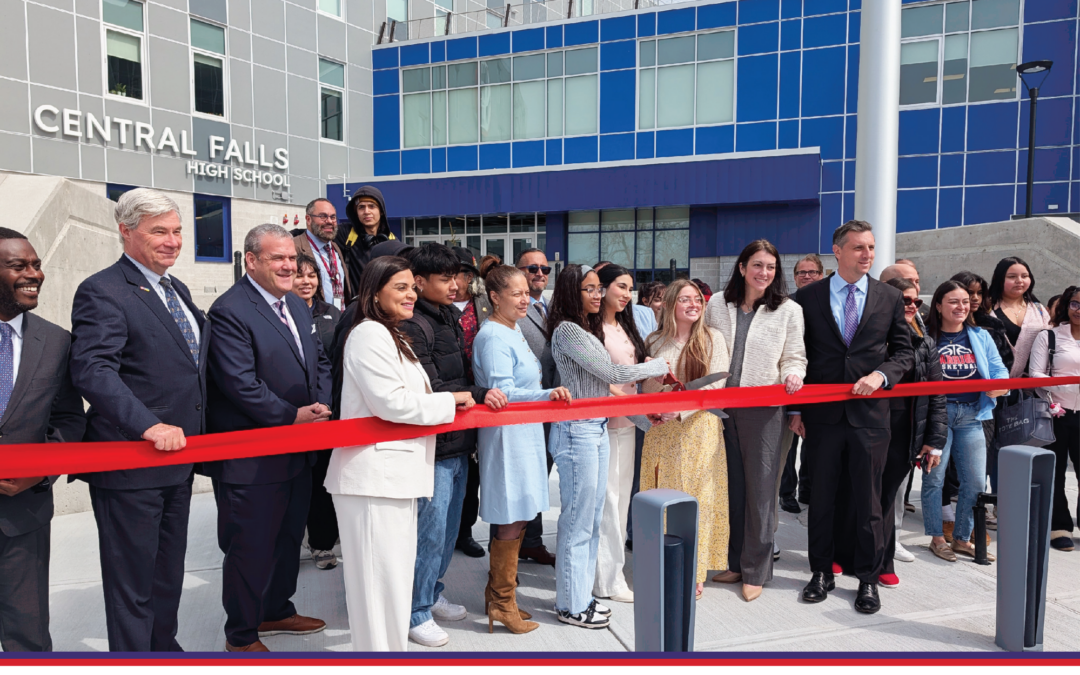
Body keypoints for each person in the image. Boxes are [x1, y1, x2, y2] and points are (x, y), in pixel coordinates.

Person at [69, 188, 208, 652]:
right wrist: (148, 425)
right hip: (131, 465)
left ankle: (163, 650)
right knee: (132, 582)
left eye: (177, 231)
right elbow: (93, 369)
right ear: (126, 232)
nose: (172, 241)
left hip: (179, 461)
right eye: (159, 232)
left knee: (168, 572)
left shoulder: (176, 289)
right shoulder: (102, 290)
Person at [325, 256, 473, 652]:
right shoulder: (368, 334)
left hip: (396, 477)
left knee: (392, 586)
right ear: (374, 293)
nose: (411, 294)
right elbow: (392, 403)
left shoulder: (393, 334)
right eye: (400, 288)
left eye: (412, 287)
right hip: (373, 478)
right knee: (377, 591)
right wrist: (451, 401)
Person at [202, 224, 332, 652]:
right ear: (252, 260)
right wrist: (292, 416)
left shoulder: (294, 305)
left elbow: (320, 361)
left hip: (297, 451)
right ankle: (240, 636)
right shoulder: (229, 310)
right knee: (250, 548)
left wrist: (321, 406)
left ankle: (276, 609)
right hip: (252, 459)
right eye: (278, 258)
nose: (289, 266)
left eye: (292, 258)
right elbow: (239, 384)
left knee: (287, 539)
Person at [789, 220, 914, 615]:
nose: (868, 255)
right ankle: (821, 572)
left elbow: (904, 353)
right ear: (837, 251)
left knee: (868, 502)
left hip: (870, 417)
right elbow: (797, 355)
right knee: (821, 498)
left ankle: (867, 579)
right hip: (821, 418)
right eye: (859, 247)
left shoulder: (889, 298)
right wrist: (795, 408)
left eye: (872, 248)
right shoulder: (806, 298)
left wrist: (881, 375)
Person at [547, 264, 669, 628]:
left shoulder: (584, 327)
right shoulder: (569, 330)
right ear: (571, 292)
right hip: (577, 432)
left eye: (599, 288)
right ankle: (571, 604)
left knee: (590, 520)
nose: (597, 295)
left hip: (595, 427)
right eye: (589, 289)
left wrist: (645, 417)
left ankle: (581, 597)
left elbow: (606, 385)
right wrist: (656, 367)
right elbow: (613, 375)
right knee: (578, 523)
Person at [399, 244, 506, 648]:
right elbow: (433, 387)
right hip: (435, 445)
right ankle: (415, 610)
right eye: (445, 278)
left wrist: (475, 394)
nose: (456, 284)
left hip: (458, 442)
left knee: (448, 530)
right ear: (420, 282)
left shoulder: (447, 316)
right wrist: (479, 391)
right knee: (430, 530)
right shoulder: (413, 325)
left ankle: (431, 591)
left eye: (458, 276)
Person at [472, 264, 572, 634]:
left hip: (525, 432)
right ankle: (502, 602)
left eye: (525, 291)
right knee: (511, 516)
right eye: (514, 293)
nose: (524, 298)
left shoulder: (511, 330)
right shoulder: (495, 336)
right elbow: (503, 393)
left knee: (519, 513)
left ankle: (500, 595)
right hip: (508, 436)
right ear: (493, 297)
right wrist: (548, 394)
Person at [705, 240, 806, 602]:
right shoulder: (717, 303)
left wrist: (793, 375)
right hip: (720, 407)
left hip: (764, 408)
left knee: (761, 492)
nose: (764, 273)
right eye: (758, 265)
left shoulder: (789, 310)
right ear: (743, 266)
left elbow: (795, 356)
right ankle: (734, 562)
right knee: (730, 489)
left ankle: (756, 570)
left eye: (771, 267)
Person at [0, 229, 85, 652]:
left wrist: (40, 469)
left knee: (27, 637)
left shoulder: (55, 341)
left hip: (23, 514)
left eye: (36, 264)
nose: (35, 274)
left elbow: (70, 419)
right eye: (19, 266)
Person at [835, 278, 946, 585]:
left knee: (886, 497)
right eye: (904, 301)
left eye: (915, 302)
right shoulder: (867, 336)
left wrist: (934, 441)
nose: (910, 306)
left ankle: (881, 561)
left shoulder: (925, 342)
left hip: (904, 429)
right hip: (865, 423)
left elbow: (937, 395)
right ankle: (841, 553)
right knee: (855, 491)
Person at [641, 279, 731, 598]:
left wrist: (677, 411)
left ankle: (694, 571)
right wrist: (657, 387)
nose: (693, 304)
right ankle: (661, 562)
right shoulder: (653, 341)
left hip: (699, 430)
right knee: (663, 497)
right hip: (661, 433)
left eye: (697, 299)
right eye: (684, 299)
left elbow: (714, 387)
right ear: (669, 306)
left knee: (698, 500)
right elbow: (645, 388)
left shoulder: (712, 339)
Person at [921, 280, 1009, 562]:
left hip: (973, 414)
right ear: (938, 305)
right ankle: (937, 537)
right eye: (953, 301)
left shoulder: (980, 336)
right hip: (939, 416)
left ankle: (961, 538)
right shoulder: (927, 337)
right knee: (934, 479)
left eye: (965, 302)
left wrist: (1000, 385)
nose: (961, 306)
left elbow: (1000, 372)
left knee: (974, 482)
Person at [588, 264, 650, 604]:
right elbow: (604, 378)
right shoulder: (591, 328)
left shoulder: (624, 326)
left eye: (630, 288)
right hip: (605, 426)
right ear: (603, 288)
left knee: (620, 502)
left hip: (628, 424)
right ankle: (606, 580)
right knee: (608, 503)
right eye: (621, 287)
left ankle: (611, 573)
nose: (627, 294)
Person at [506, 248, 559, 566]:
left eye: (545, 268)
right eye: (532, 268)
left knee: (540, 477)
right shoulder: (510, 315)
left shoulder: (549, 308)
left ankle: (533, 540)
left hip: (550, 407)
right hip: (527, 407)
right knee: (526, 480)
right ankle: (521, 543)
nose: (540, 273)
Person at [291, 252, 343, 571]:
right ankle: (290, 541)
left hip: (325, 413)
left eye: (311, 275)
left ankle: (322, 544)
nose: (306, 281)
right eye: (299, 275)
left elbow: (333, 363)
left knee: (323, 482)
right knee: (295, 484)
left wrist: (327, 405)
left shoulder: (332, 314)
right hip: (291, 415)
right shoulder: (279, 313)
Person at [951, 270, 1014, 525]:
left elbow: (1004, 362)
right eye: (969, 292)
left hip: (985, 402)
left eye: (979, 293)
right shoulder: (941, 323)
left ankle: (975, 513)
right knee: (944, 467)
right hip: (950, 403)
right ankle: (946, 513)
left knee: (980, 460)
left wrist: (997, 383)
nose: (974, 298)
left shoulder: (992, 323)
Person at [1029, 286, 1080, 551]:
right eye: (1075, 304)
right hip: (1056, 414)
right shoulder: (1049, 336)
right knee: (1056, 471)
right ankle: (1059, 526)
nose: (1078, 310)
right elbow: (1035, 373)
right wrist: (1062, 387)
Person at [449, 246, 492, 559]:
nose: (462, 279)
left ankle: (464, 531)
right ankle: (444, 532)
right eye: (458, 272)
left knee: (474, 471)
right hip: (446, 392)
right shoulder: (437, 305)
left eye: (466, 273)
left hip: (477, 393)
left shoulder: (485, 304)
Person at [779, 253, 824, 513]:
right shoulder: (785, 306)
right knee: (789, 441)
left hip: (818, 382)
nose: (807, 276)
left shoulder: (828, 303)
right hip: (791, 381)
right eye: (802, 273)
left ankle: (807, 489)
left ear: (821, 274)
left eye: (812, 272)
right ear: (795, 277)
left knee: (812, 438)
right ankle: (787, 492)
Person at [989, 256, 1051, 378]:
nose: (1019, 280)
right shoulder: (987, 308)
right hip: (994, 384)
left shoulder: (1039, 310)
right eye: (1012, 277)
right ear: (999, 279)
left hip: (1032, 385)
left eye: (1024, 276)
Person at [335, 186, 395, 296]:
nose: (366, 211)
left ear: (381, 211)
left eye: (372, 206)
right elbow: (317, 231)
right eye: (361, 207)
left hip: (384, 306)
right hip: (355, 307)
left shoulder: (392, 241)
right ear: (356, 212)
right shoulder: (345, 234)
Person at [293, 198, 351, 310]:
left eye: (333, 217)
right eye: (323, 216)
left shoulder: (335, 248)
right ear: (308, 219)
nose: (329, 221)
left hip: (340, 320)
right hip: (312, 320)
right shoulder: (294, 247)